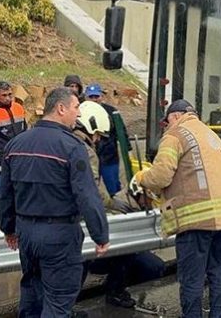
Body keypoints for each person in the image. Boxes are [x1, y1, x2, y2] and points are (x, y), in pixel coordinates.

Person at [0, 87, 109, 317]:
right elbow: (87, 195)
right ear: (60, 108)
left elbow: (4, 194)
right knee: (58, 301)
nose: (78, 114)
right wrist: (100, 235)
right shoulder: (72, 147)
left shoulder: (16, 144)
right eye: (76, 108)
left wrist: (9, 228)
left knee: (31, 296)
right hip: (59, 234)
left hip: (26, 234)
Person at [130, 99, 221, 318]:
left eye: (167, 121)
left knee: (192, 280)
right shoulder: (211, 135)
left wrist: (141, 177)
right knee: (220, 275)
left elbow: (161, 176)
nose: (167, 126)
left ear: (175, 116)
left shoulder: (175, 135)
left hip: (196, 221)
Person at [75, 101, 165, 310]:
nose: (97, 140)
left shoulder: (65, 143)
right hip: (79, 226)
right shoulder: (83, 150)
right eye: (97, 134)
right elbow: (93, 192)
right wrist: (111, 202)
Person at [85, 83, 130, 196]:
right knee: (90, 187)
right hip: (90, 157)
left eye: (96, 96)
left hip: (109, 157)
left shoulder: (111, 112)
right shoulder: (82, 112)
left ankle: (119, 209)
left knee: (113, 186)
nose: (94, 100)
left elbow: (122, 132)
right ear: (86, 97)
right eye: (91, 97)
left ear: (102, 96)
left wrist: (128, 149)